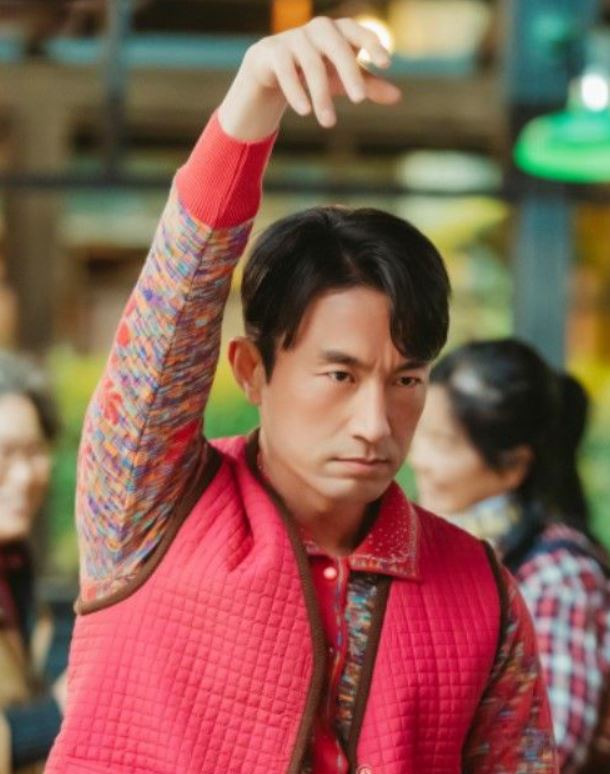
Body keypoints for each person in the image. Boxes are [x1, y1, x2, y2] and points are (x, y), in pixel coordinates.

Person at [47, 18, 557, 773]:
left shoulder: (483, 591)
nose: (375, 424)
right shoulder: (147, 510)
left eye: (406, 380)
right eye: (340, 376)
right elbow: (170, 314)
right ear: (252, 371)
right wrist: (250, 106)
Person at [410, 337, 610, 773]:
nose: (418, 458)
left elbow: (553, 746)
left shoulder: (559, 575)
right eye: (420, 433)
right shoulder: (436, 547)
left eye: (444, 443)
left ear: (514, 465)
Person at [0, 351, 68, 774]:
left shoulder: (17, 566)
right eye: (5, 455)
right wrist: (56, 713)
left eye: (34, 451)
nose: (25, 476)